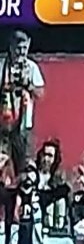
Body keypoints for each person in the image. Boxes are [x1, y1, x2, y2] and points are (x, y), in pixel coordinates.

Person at [0, 31, 45, 170]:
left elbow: (40, 93)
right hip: (3, 124)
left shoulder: (32, 67)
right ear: (11, 47)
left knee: (23, 166)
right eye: (18, 48)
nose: (21, 52)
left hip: (24, 126)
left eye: (24, 48)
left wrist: (27, 85)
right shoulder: (2, 66)